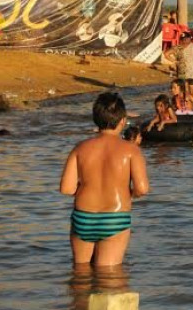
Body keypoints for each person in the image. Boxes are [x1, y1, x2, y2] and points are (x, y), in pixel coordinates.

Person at [60, 93, 149, 266]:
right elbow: (142, 189)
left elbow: (67, 189)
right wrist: (129, 194)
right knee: (109, 278)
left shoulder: (80, 148)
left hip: (83, 217)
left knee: (80, 273)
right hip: (115, 218)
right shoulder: (131, 150)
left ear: (95, 119)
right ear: (123, 121)